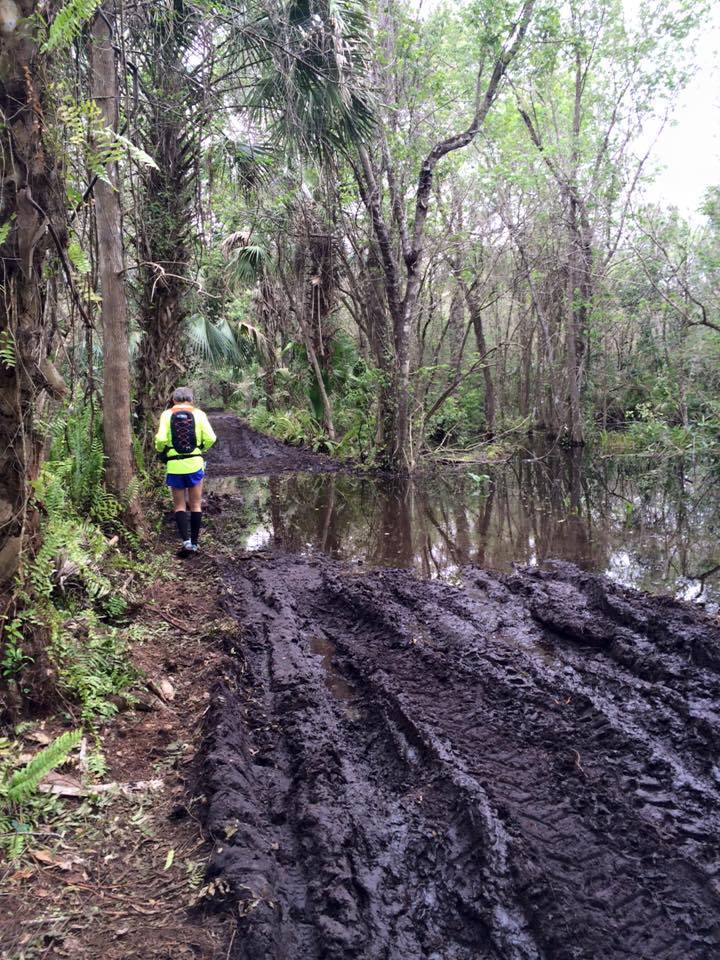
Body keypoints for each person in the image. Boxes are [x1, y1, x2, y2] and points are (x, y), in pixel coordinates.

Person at [155, 387, 217, 557]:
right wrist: (200, 448)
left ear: (174, 400)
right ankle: (196, 544)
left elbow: (160, 440)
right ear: (191, 400)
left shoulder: (167, 415)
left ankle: (186, 542)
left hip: (175, 465)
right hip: (195, 464)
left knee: (179, 505)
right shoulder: (199, 414)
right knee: (196, 504)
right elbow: (211, 437)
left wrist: (162, 450)